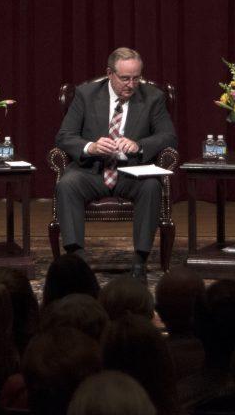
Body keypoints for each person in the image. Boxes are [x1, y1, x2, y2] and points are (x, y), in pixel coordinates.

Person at [54, 47, 177, 281]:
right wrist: (91, 146)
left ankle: (140, 262)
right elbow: (64, 136)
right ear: (109, 74)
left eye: (136, 78)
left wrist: (139, 145)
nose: (131, 84)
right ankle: (77, 261)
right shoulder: (85, 94)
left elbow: (168, 136)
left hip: (131, 172)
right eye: (125, 78)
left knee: (152, 186)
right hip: (92, 171)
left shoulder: (153, 97)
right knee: (66, 184)